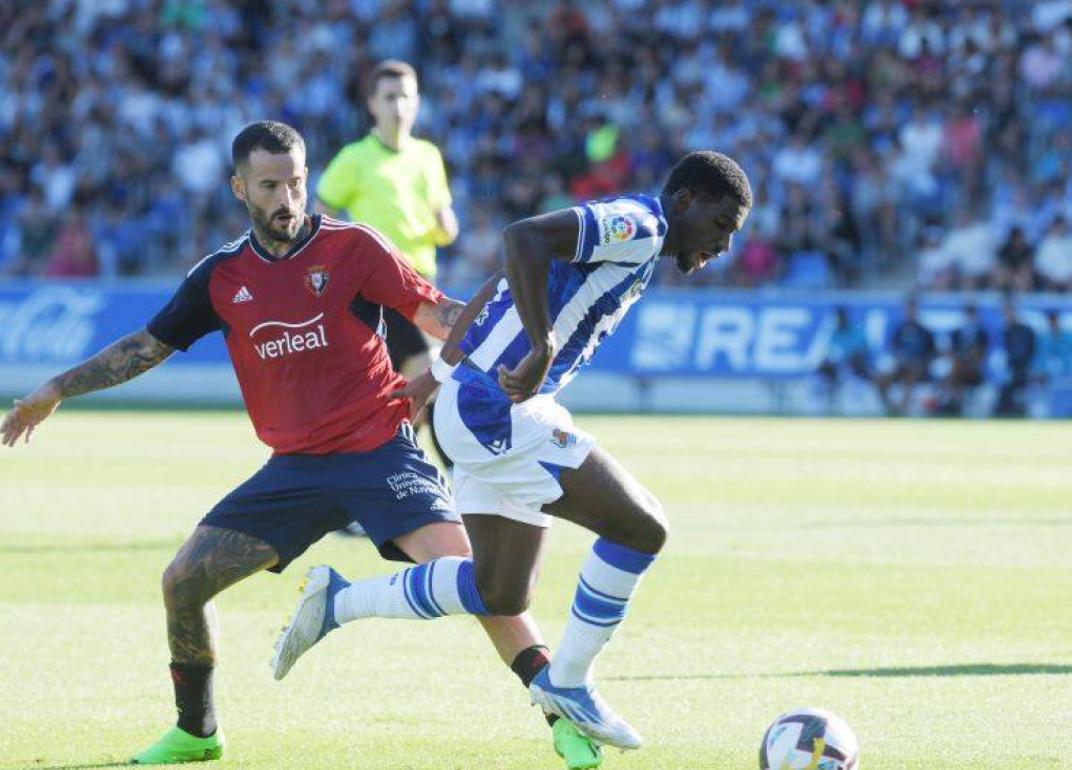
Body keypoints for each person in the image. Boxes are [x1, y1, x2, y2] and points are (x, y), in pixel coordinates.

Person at [1, 121, 597, 769]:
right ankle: (197, 732)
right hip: (294, 470)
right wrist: (56, 388)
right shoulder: (221, 277)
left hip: (380, 452)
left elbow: (437, 316)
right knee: (183, 583)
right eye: (269, 185)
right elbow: (147, 347)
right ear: (239, 189)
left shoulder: (353, 248)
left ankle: (561, 715)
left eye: (296, 182)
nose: (287, 198)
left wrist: (514, 320)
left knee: (480, 583)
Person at [272, 150, 753, 752]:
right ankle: (570, 682)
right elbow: (521, 237)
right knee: (642, 527)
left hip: (478, 402)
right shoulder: (644, 224)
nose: (723, 245)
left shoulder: (633, 231)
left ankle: (338, 602)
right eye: (720, 226)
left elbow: (500, 284)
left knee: (500, 592)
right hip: (499, 411)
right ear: (685, 200)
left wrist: (440, 375)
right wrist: (543, 341)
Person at [315, 60, 458, 379]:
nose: (399, 105)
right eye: (390, 97)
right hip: (380, 281)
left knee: (407, 379)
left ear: (418, 102)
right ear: (373, 104)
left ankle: (397, 428)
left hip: (424, 280)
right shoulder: (354, 158)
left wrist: (446, 227)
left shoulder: (427, 155)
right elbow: (323, 214)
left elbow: (444, 222)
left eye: (406, 96)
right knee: (429, 366)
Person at [875, 294, 935, 415]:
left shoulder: (924, 331)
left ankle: (902, 409)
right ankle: (890, 407)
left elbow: (931, 352)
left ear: (917, 310)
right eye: (908, 308)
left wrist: (922, 362)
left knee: (911, 374)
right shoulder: (899, 330)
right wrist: (899, 359)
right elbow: (893, 349)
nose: (910, 312)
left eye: (913, 308)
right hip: (900, 365)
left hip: (918, 367)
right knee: (881, 378)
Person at [936, 302, 989, 415]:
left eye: (972, 314)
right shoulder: (956, 333)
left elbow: (982, 353)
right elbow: (951, 351)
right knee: (955, 368)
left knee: (956, 370)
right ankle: (955, 402)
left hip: (974, 368)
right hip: (958, 366)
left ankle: (952, 402)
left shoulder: (981, 334)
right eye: (968, 314)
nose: (970, 317)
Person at [994, 298, 1037, 417]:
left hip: (1021, 372)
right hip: (1004, 373)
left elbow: (1022, 354)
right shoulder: (1004, 331)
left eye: (1008, 311)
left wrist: (1007, 362)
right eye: (1004, 312)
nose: (1006, 315)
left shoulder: (1024, 331)